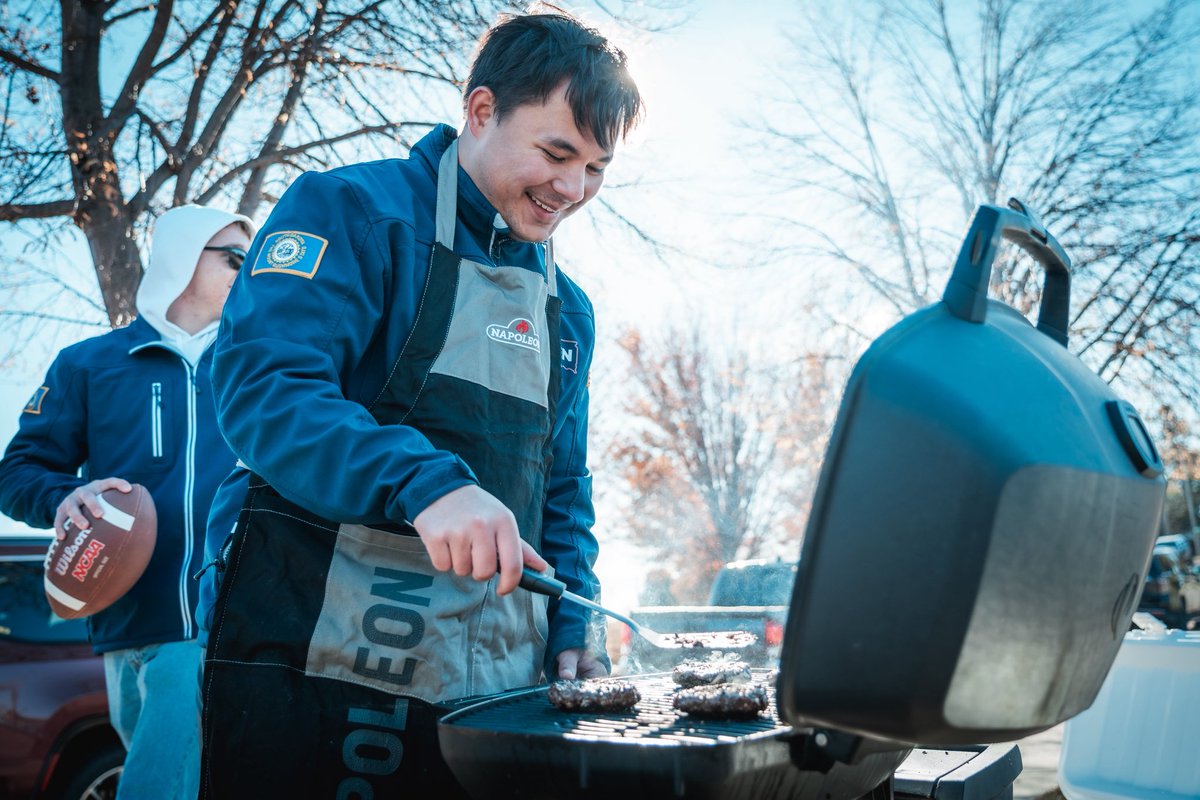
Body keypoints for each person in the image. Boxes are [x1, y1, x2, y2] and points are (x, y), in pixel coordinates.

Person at [195, 9, 642, 796]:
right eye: (556, 152)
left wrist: (575, 618)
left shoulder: (566, 312)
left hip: (488, 688)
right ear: (479, 112)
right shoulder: (353, 214)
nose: (573, 189)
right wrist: (427, 482)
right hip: (317, 656)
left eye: (597, 168)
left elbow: (562, 489)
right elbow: (263, 390)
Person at [0, 205, 255, 800]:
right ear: (183, 258)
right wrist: (67, 495)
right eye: (235, 259)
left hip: (231, 626)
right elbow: (16, 473)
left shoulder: (259, 367)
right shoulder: (90, 365)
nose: (250, 273)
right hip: (127, 617)